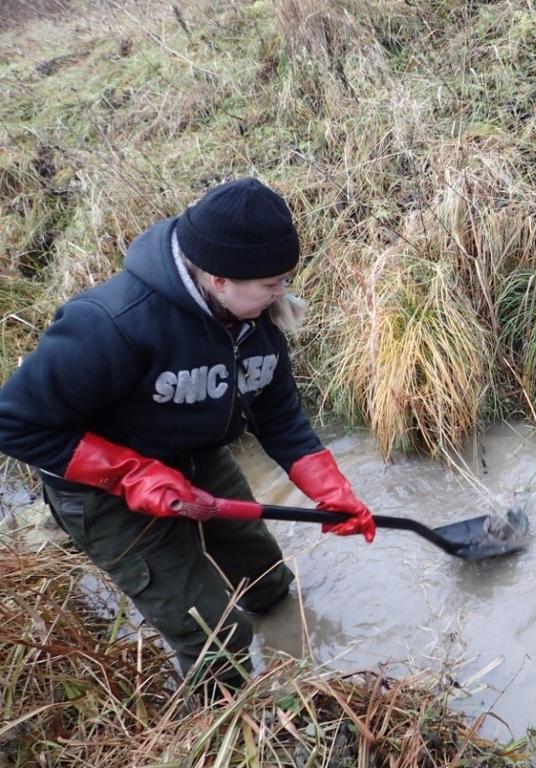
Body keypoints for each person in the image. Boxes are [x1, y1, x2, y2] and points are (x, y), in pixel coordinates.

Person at [0, 177, 376, 693]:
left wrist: (330, 489)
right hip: (101, 489)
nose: (281, 294)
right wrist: (132, 474)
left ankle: (291, 649)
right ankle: (226, 717)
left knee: (267, 580)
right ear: (219, 279)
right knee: (215, 634)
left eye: (284, 279)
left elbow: (278, 412)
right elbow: (15, 421)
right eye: (271, 284)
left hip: (194, 457)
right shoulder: (110, 323)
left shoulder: (254, 318)